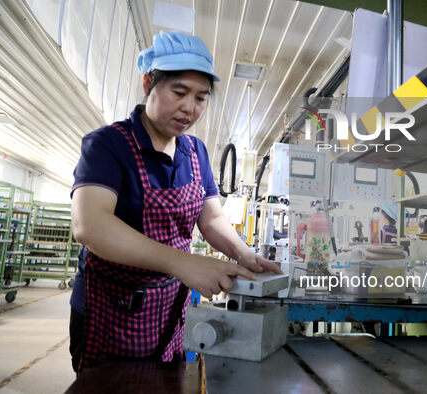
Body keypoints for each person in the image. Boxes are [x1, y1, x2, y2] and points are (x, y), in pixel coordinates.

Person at [69, 31, 282, 373]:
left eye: (200, 98)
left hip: (168, 306)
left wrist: (245, 256)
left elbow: (211, 219)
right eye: (179, 92)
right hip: (109, 306)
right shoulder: (108, 145)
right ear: (147, 84)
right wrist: (183, 263)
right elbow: (90, 224)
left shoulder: (195, 152)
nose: (190, 108)